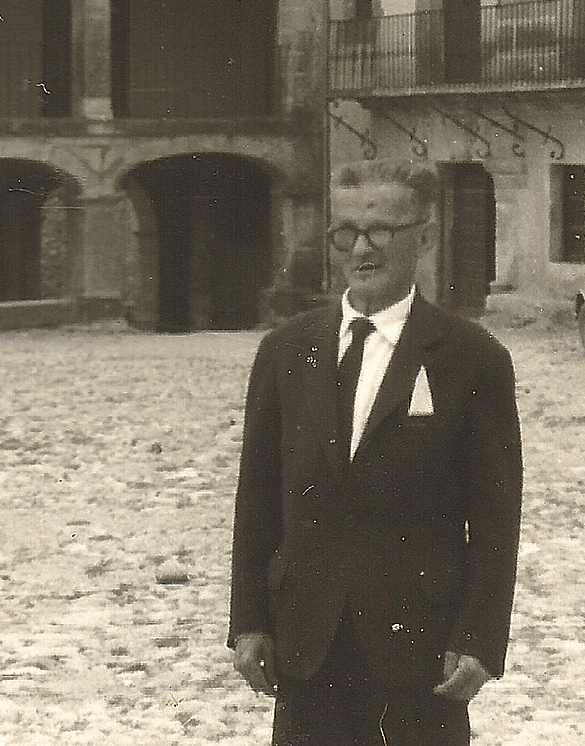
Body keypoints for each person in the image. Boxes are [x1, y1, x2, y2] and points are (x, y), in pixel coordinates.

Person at [229, 159, 523, 746]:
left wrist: (480, 637)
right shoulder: (285, 350)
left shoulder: (472, 357)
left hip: (420, 648)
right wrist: (250, 620)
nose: (362, 249)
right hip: (307, 642)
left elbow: (495, 519)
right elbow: (257, 498)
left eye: (382, 231)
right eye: (347, 233)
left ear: (425, 236)